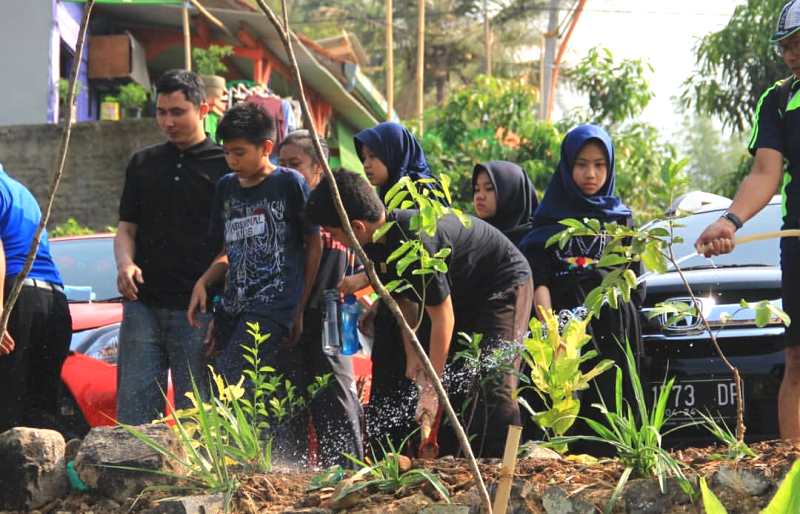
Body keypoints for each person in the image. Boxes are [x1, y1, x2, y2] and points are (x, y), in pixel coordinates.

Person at [306, 170, 533, 458]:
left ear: (357, 226)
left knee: (494, 381)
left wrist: (431, 389)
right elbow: (402, 298)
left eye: (335, 234)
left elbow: (443, 317)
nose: (336, 241)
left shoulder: (415, 241)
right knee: (450, 377)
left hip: (503, 284)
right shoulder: (378, 243)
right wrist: (414, 353)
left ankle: (503, 474)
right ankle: (454, 467)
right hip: (464, 291)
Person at [694, 0, 800, 440]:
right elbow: (764, 173)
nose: (792, 54)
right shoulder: (777, 100)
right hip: (798, 243)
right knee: (798, 358)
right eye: (786, 47)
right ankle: (794, 477)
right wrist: (729, 221)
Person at [115, 70, 228, 425]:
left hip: (199, 310)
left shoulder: (226, 165)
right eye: (162, 112)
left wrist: (208, 281)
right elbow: (126, 229)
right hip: (142, 306)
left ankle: (197, 482)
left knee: (199, 418)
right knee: (134, 415)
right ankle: (134, 482)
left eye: (177, 112)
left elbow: (234, 242)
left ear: (203, 109)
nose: (168, 121)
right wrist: (124, 264)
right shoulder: (142, 163)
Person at [519, 124, 642, 441]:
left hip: (613, 323)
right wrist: (551, 332)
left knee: (612, 398)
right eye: (582, 164)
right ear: (567, 166)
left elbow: (633, 276)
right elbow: (540, 279)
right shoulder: (550, 219)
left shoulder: (620, 220)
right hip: (565, 321)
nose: (591, 173)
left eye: (600, 165)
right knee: (563, 399)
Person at [187, 103, 321, 390]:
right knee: (215, 383)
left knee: (232, 378)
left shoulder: (289, 183)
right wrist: (204, 281)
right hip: (234, 304)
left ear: (266, 147)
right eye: (226, 153)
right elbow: (229, 249)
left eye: (239, 153)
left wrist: (298, 307)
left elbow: (313, 244)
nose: (232, 161)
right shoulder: (226, 187)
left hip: (274, 304)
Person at [276, 131, 364, 466]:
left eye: (294, 164)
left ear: (319, 169)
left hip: (332, 314)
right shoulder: (285, 210)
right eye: (281, 164)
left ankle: (347, 472)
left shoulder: (338, 207)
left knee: (337, 397)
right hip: (293, 317)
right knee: (291, 401)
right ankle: (296, 475)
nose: (286, 171)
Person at [0, 163, 71, 433]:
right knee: (40, 407)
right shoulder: (22, 193)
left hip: (15, 296)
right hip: (54, 299)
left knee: (6, 404)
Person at [354, 121, 447, 204]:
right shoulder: (386, 192)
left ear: (394, 153)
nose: (366, 165)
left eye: (372, 156)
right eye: (364, 158)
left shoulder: (420, 190)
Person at [472, 160, 538, 247]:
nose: (479, 196)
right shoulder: (472, 238)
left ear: (512, 193)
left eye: (489, 188)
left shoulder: (535, 243)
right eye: (477, 189)